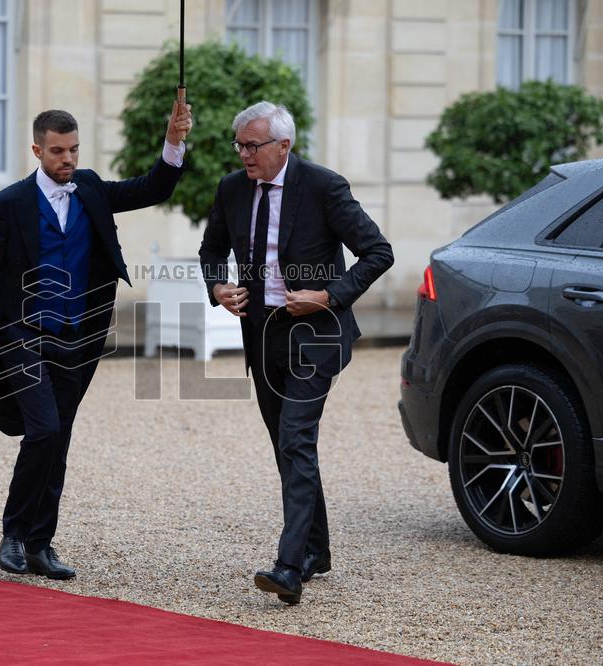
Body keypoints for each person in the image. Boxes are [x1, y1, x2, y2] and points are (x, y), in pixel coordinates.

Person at [0, 99, 192, 580]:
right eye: (59, 152)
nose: (69, 160)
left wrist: (173, 142)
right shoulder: (8, 205)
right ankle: (14, 533)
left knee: (58, 436)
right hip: (21, 333)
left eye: (74, 150)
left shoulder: (89, 189)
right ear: (37, 151)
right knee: (43, 429)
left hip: (79, 337)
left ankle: (41, 545)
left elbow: (153, 187)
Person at [199, 101, 393, 604]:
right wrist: (218, 286)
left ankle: (290, 566)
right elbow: (210, 250)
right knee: (290, 446)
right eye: (239, 144)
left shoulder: (325, 187)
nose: (244, 154)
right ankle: (317, 549)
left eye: (254, 145)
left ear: (284, 146)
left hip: (316, 333)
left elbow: (378, 252)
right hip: (260, 335)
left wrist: (328, 295)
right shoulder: (230, 189)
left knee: (295, 439)